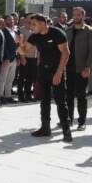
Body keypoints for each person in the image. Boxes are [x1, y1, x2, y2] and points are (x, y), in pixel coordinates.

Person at [27, 14, 71, 142]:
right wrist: (19, 43)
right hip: (43, 71)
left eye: (34, 24)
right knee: (44, 101)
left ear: (42, 23)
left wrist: (58, 73)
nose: (31, 26)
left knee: (60, 102)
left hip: (57, 70)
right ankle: (45, 128)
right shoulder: (34, 36)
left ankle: (66, 131)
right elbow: (24, 50)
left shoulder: (57, 33)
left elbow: (66, 53)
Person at [64, 7, 92, 132]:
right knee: (68, 95)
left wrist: (88, 67)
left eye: (79, 15)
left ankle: (82, 122)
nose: (76, 17)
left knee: (81, 96)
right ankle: (69, 118)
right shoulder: (68, 30)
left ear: (83, 16)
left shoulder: (90, 31)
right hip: (68, 68)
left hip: (81, 69)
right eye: (74, 15)